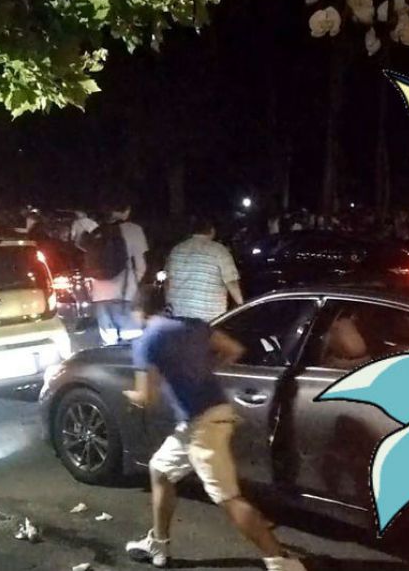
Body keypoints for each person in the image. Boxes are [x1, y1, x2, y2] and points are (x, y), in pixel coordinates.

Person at [122, 313, 306, 570]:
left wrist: (129, 394)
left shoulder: (146, 340)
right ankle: (158, 543)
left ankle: (281, 562)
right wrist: (202, 373)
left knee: (227, 496)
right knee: (160, 470)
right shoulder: (195, 327)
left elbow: (146, 397)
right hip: (207, 416)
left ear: (139, 311)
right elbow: (234, 350)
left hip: (203, 426)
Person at [164, 216, 243, 322]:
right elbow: (231, 282)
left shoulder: (177, 250)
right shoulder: (219, 251)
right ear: (212, 230)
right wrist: (241, 306)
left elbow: (167, 282)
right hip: (208, 320)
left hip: (177, 315)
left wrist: (168, 305)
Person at [91, 202, 149, 345]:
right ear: (127, 209)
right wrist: (135, 285)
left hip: (99, 294)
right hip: (125, 294)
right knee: (132, 342)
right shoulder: (134, 230)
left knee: (109, 343)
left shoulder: (97, 230)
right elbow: (141, 266)